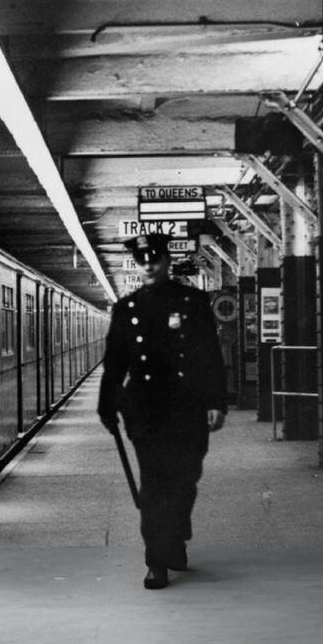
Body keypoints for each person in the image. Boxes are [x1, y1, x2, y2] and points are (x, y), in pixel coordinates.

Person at [98, 233, 227, 589]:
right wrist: (106, 405)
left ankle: (176, 536)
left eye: (155, 258)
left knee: (185, 480)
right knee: (154, 485)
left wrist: (217, 401)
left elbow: (208, 353)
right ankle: (157, 559)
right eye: (142, 260)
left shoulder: (193, 301)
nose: (149, 265)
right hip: (145, 409)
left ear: (167, 261)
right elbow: (114, 363)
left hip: (187, 406)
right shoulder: (127, 309)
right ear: (137, 266)